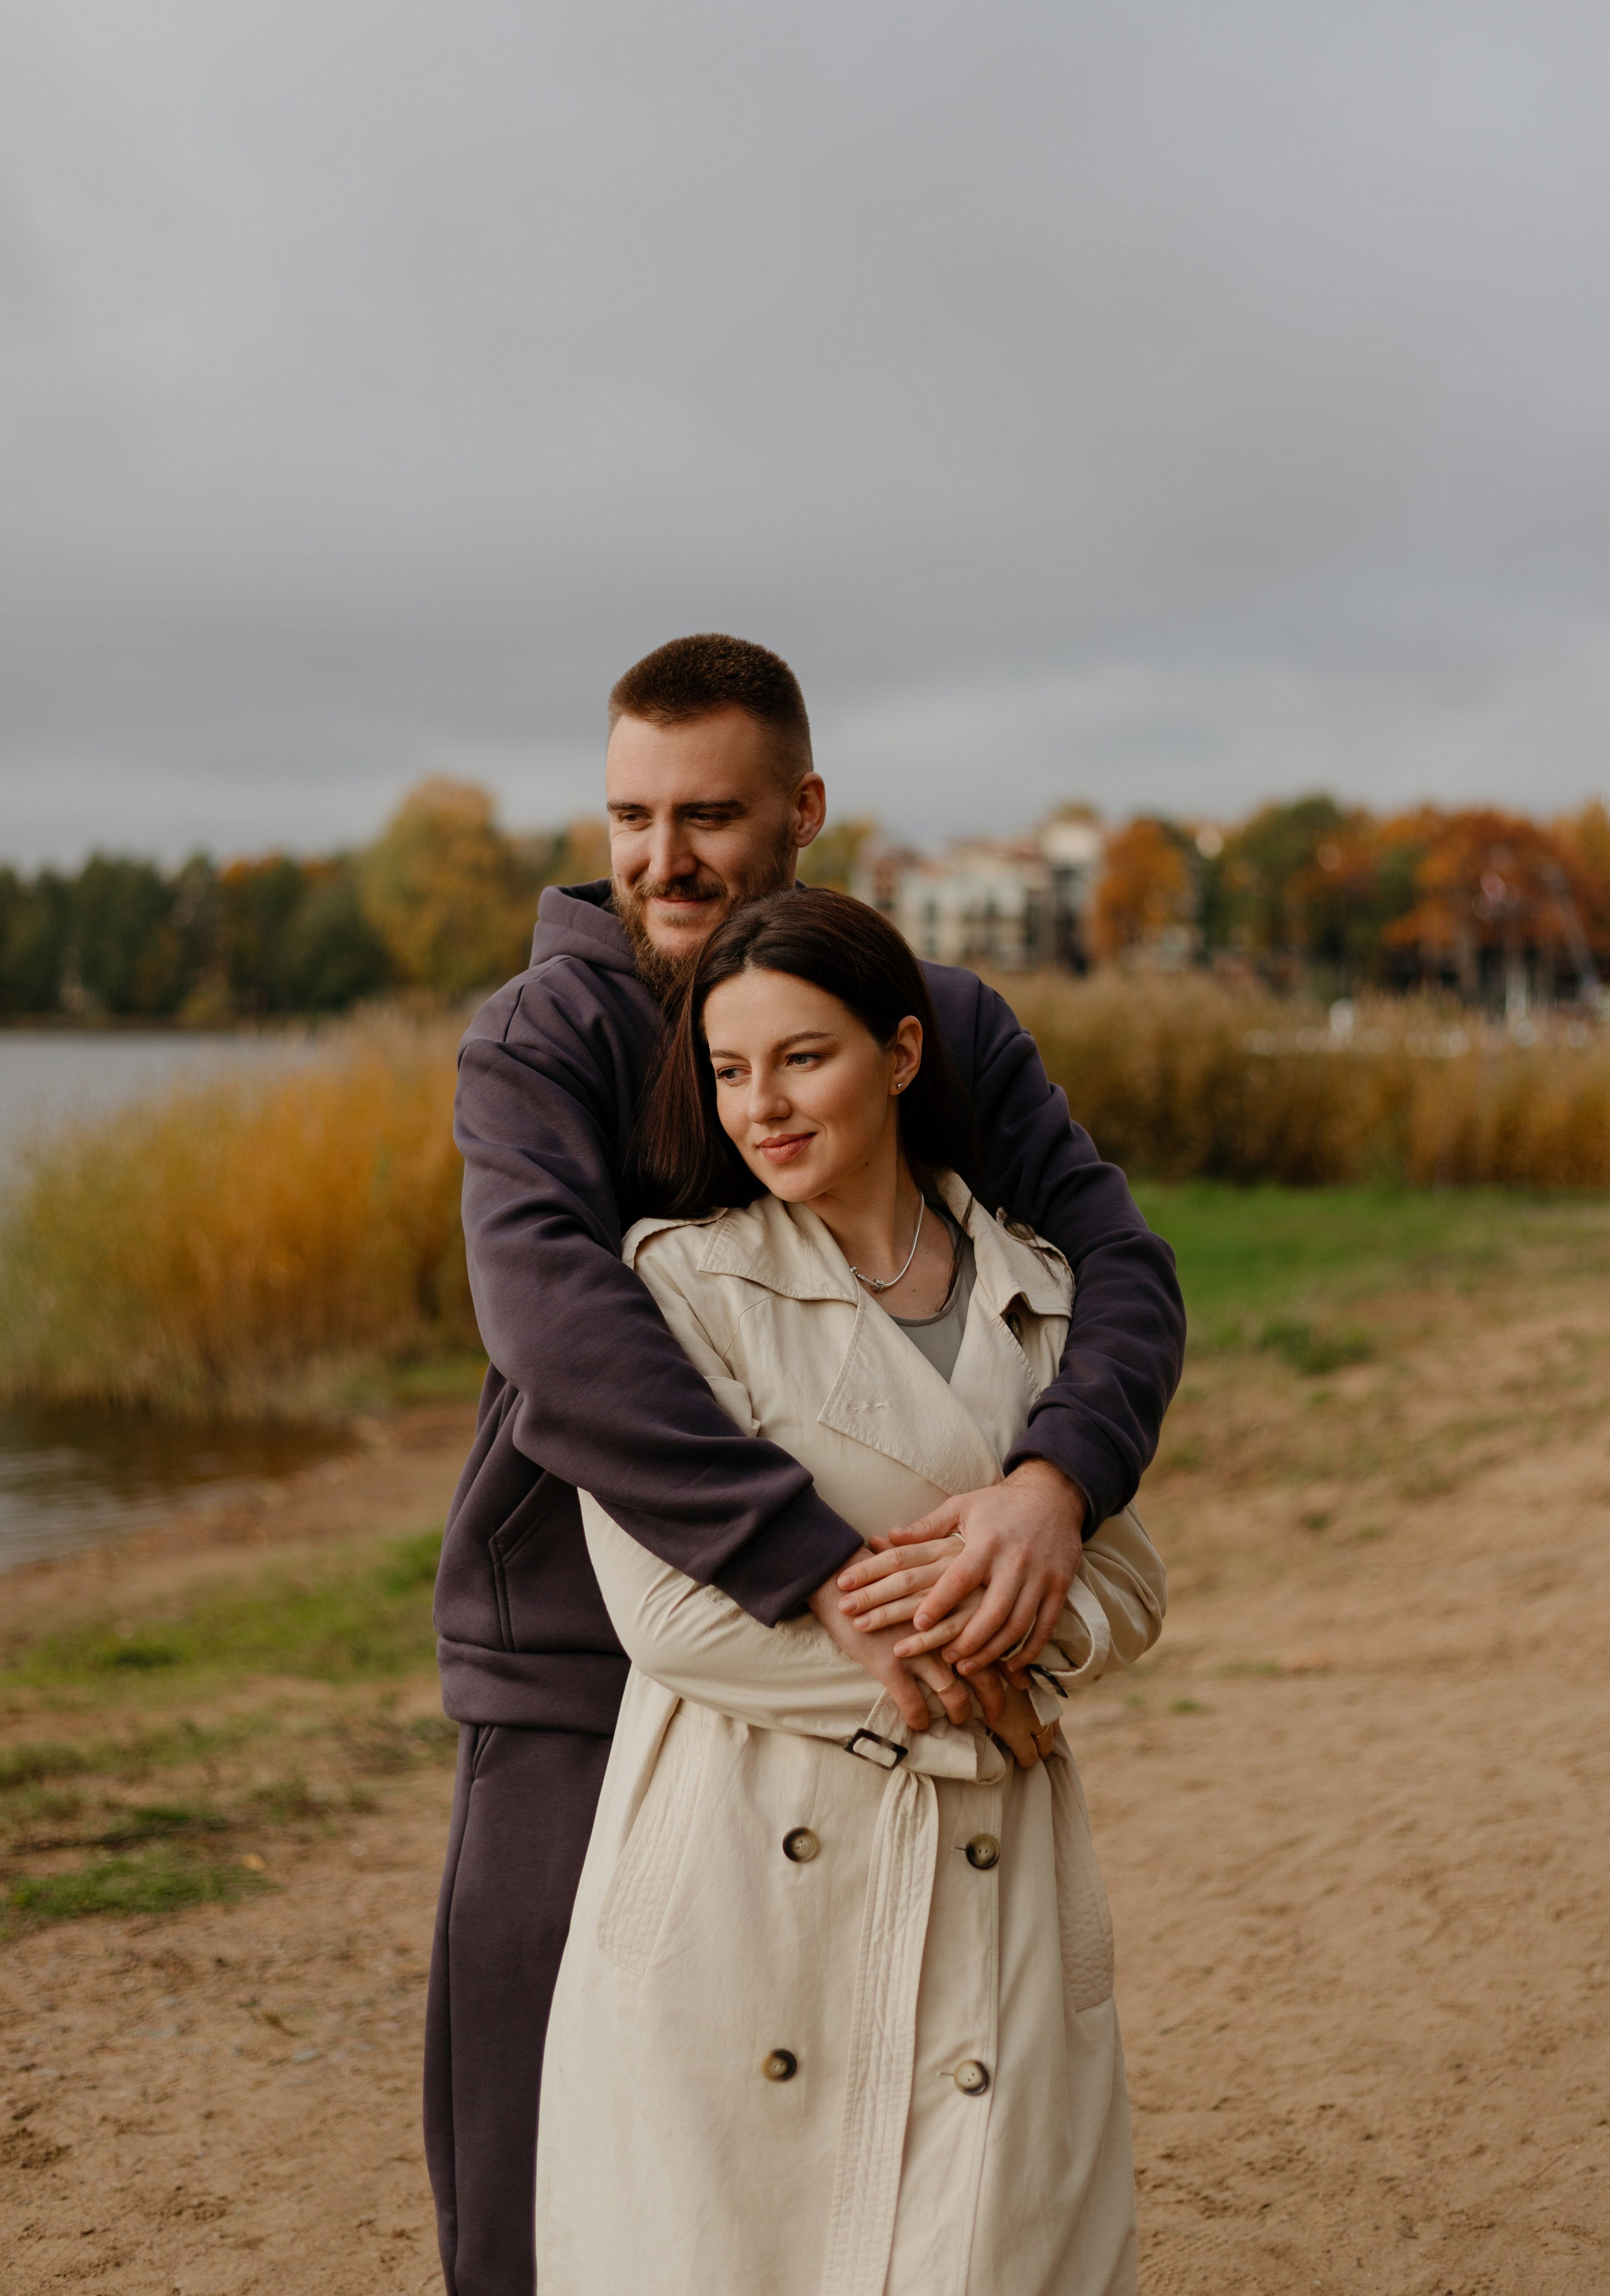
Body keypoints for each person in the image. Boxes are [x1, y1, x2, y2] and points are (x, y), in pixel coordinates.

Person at [426, 634, 1184, 2296]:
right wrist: (837, 1586)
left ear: (804, 811)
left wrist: (1054, 1488)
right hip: (581, 1661)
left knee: (879, 2162)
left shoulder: (929, 1017)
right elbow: (563, 1332)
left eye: (707, 813)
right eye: (631, 811)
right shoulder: (545, 1035)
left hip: (917, 1665)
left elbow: (1120, 1267)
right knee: (547, 2187)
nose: (659, 855)